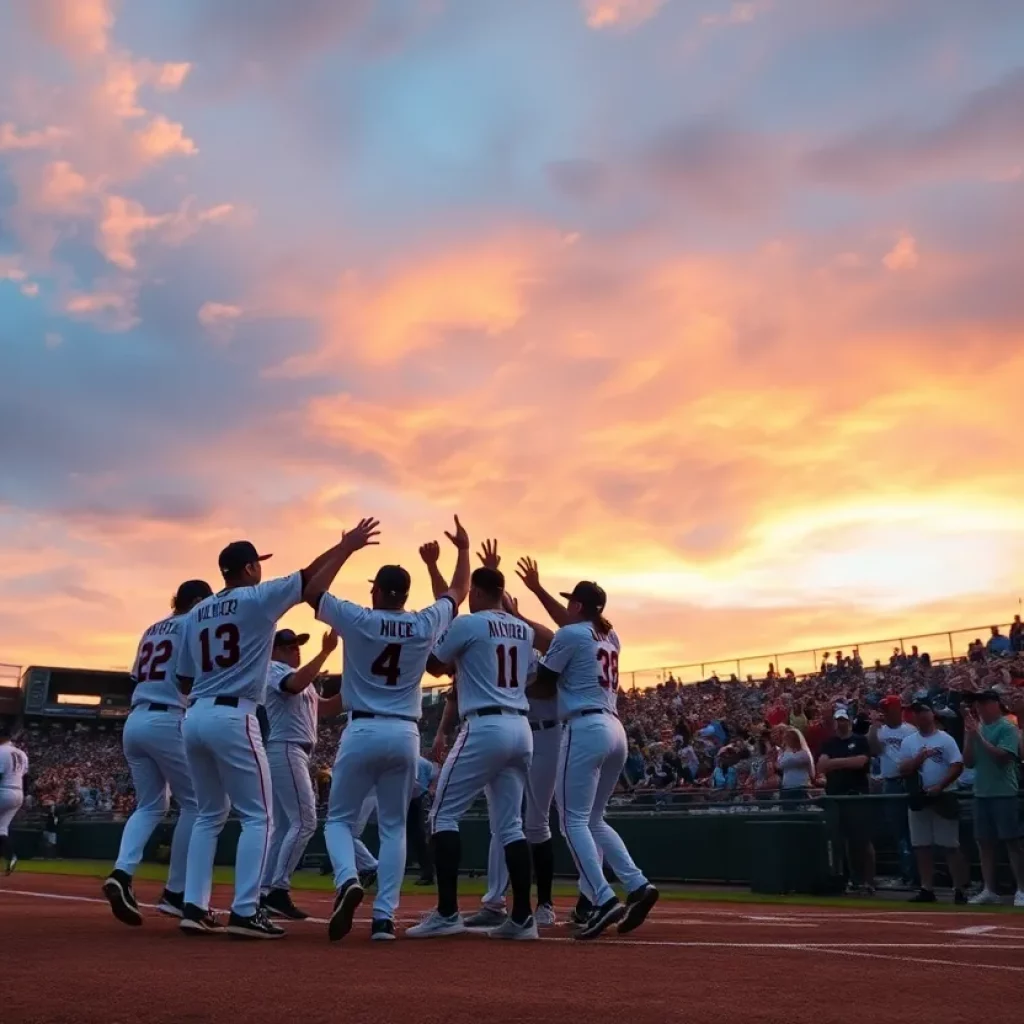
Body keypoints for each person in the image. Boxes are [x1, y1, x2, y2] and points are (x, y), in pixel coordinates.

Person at [178, 535, 353, 939]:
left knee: (208, 816)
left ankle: (193, 905)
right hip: (234, 714)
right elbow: (310, 580)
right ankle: (245, 911)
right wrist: (347, 548)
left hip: (196, 713)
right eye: (257, 564)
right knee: (259, 817)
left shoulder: (198, 611)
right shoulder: (256, 599)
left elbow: (183, 678)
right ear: (249, 568)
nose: (261, 569)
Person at [305, 516, 470, 943]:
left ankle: (348, 879)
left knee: (338, 822)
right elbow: (458, 593)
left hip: (361, 729)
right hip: (405, 733)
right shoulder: (422, 622)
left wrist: (346, 548)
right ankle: (383, 919)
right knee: (395, 827)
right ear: (406, 594)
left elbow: (311, 591)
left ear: (376, 590)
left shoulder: (357, 617)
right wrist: (464, 551)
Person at [516, 576, 659, 940]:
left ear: (578, 606)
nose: (565, 608)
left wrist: (506, 685)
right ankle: (638, 884)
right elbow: (568, 632)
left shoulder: (572, 635)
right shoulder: (610, 637)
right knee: (594, 819)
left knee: (572, 821)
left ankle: (603, 898)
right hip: (614, 730)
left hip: (584, 728)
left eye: (570, 603)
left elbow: (546, 682)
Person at [409, 545, 538, 940]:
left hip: (484, 725)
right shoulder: (524, 627)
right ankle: (521, 919)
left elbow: (434, 663)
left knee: (442, 815)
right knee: (511, 826)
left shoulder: (471, 622)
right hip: (521, 727)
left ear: (478, 593)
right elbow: (531, 674)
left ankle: (447, 912)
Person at [102, 579, 213, 927]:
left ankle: (122, 872)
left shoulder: (152, 628)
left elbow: (137, 677)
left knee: (151, 805)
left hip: (135, 720)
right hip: (170, 717)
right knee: (197, 804)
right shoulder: (193, 623)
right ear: (196, 601)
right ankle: (177, 893)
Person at [469, 556, 570, 929]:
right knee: (504, 822)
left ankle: (544, 903)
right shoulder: (507, 642)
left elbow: (550, 648)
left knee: (536, 823)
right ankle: (495, 901)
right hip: (521, 731)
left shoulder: (539, 642)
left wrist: (518, 613)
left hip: (546, 733)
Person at [260, 628, 341, 920]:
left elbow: (328, 708)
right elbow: (291, 685)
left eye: (297, 645)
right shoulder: (271, 669)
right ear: (275, 650)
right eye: (289, 645)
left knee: (283, 828)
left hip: (295, 751)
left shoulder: (303, 680)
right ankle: (278, 890)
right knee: (305, 821)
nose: (296, 649)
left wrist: (360, 682)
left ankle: (263, 891)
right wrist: (325, 652)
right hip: (284, 747)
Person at [898, 699, 969, 904]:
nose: (920, 715)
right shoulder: (909, 741)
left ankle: (959, 889)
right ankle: (926, 888)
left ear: (932, 714)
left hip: (943, 796)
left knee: (950, 845)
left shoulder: (945, 739)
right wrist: (918, 760)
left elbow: (957, 765)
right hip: (919, 797)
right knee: (921, 846)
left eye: (924, 711)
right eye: (917, 712)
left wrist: (940, 786)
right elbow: (902, 769)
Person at [963, 690, 1024, 906]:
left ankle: (1022, 889)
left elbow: (1003, 758)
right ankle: (989, 888)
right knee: (985, 844)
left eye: (983, 703)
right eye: (977, 704)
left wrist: (977, 736)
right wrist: (970, 737)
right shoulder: (975, 729)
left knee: (1012, 843)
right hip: (981, 792)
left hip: (1004, 792)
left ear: (995, 704)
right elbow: (968, 761)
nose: (979, 707)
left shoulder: (1007, 727)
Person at [817, 708, 875, 894]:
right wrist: (845, 762)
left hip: (856, 795)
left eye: (843, 720)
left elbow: (860, 762)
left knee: (863, 841)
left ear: (848, 721)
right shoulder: (829, 743)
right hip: (835, 796)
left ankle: (869, 881)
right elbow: (821, 766)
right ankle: (850, 880)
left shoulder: (859, 740)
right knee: (841, 842)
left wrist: (835, 763)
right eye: (837, 720)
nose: (840, 723)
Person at [868, 695, 918, 886]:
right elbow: (873, 749)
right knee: (898, 832)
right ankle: (906, 875)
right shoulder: (880, 731)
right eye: (883, 710)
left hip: (909, 781)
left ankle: (914, 875)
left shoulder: (910, 730)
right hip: (890, 783)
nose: (885, 714)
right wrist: (873, 726)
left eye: (888, 710)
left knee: (912, 831)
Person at [0, 724, 28, 875]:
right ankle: (10, 856)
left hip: (3, 791)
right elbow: (25, 777)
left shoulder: (1, 751)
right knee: (2, 829)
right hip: (18, 793)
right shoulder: (21, 753)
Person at [408, 755, 438, 885]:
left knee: (419, 837)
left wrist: (431, 788)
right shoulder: (419, 761)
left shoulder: (421, 762)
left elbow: (435, 775)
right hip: (411, 799)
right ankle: (426, 873)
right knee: (416, 837)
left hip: (419, 799)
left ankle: (427, 874)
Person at [777, 727, 813, 802]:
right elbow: (780, 765)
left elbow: (788, 761)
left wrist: (785, 752)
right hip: (787, 786)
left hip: (801, 786)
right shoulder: (784, 753)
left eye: (788, 738)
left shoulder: (803, 753)